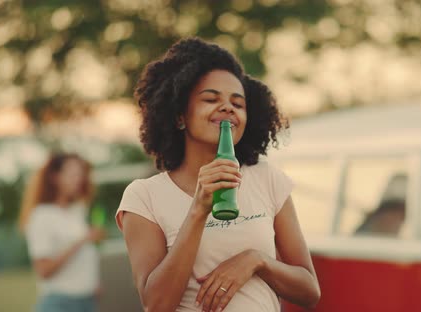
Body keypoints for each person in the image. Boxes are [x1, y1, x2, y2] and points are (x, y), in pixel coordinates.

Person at [116, 37, 321, 312]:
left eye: (238, 103)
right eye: (211, 99)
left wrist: (255, 261)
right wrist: (199, 209)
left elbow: (309, 291)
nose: (228, 108)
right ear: (179, 117)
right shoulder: (144, 197)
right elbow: (156, 304)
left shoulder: (267, 179)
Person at [18, 153, 106, 312]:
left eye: (81, 173)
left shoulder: (77, 211)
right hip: (60, 304)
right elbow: (44, 271)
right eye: (72, 174)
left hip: (87, 302)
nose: (79, 179)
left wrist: (94, 283)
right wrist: (82, 241)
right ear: (55, 177)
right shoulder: (41, 216)